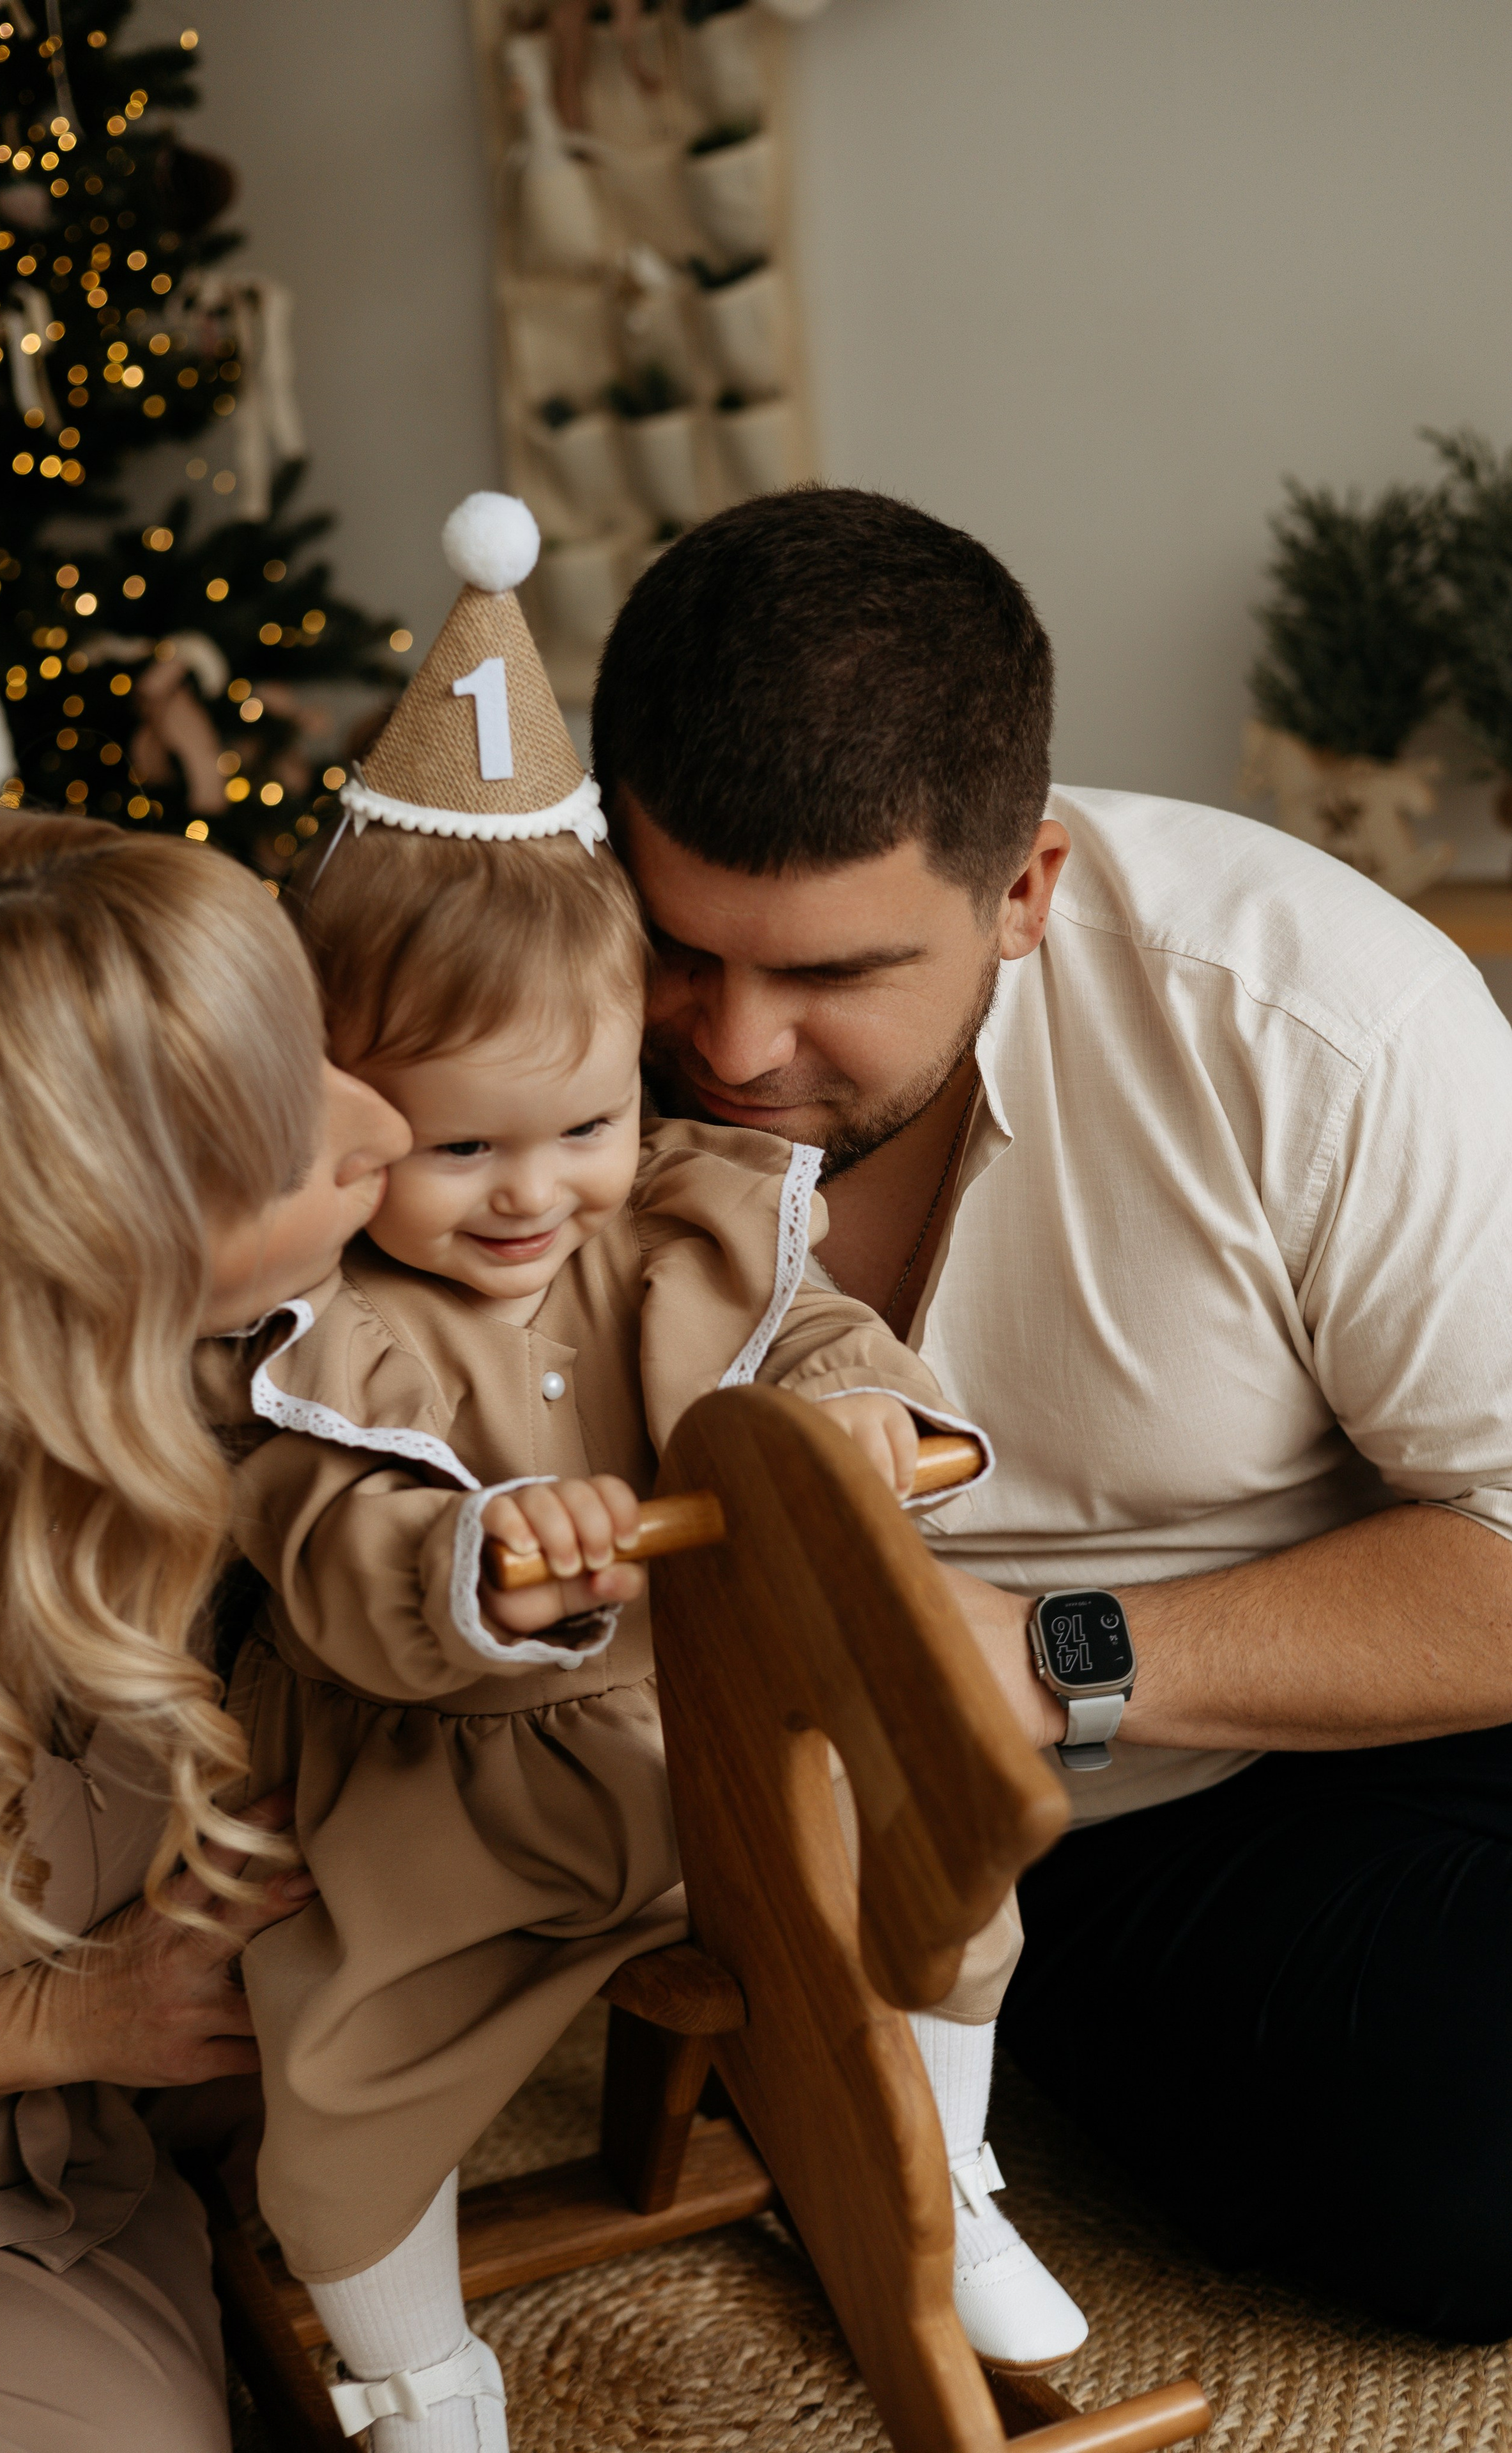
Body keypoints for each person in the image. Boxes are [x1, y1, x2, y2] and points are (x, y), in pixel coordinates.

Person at [592, 485, 1512, 2344]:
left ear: (1027, 890)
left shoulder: (1323, 1024)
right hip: (719, 1792)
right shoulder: (502, 981)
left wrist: (1039, 1658)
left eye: (836, 975)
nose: (736, 1045)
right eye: (679, 946)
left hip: (1252, 1736)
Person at [214, 498, 1069, 2453]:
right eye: (459, 1152)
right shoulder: (323, 1335)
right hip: (454, 1783)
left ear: (635, 1077)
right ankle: (409, 2353)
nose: (536, 1197)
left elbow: (829, 1347)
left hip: (714, 1729)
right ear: (345, 1121)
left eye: (586, 1123)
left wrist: (867, 1417)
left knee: (946, 1880)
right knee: (350, 2056)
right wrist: (484, 1558)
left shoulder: (682, 1216)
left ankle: (951, 2183)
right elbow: (332, 1558)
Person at [0, 800, 409, 2452]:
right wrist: (54, 2019)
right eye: (278, 1134)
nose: (383, 1120)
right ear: (89, 1252)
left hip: (9, 2220)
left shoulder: (262, 1396)